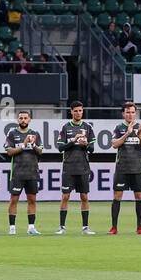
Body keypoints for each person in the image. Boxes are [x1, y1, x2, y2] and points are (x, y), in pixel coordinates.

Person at [109, 101, 141, 235]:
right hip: (122, 168)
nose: (130, 114)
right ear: (123, 114)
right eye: (127, 112)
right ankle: (114, 227)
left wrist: (139, 135)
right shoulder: (118, 128)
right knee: (117, 196)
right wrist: (127, 133)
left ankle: (140, 227)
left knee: (139, 196)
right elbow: (114, 144)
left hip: (137, 168)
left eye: (132, 112)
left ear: (135, 113)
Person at [56, 101, 96, 235]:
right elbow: (60, 147)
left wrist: (85, 144)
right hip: (68, 167)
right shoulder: (65, 127)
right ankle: (62, 227)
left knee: (84, 197)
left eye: (80, 110)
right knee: (65, 196)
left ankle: (85, 227)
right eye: (76, 111)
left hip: (83, 167)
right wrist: (73, 140)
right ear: (71, 112)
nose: (78, 113)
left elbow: (92, 149)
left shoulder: (88, 127)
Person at [4, 109, 43, 235]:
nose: (23, 120)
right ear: (17, 119)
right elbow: (9, 152)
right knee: (14, 199)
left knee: (32, 200)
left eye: (25, 118)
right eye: (21, 118)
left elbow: (40, 151)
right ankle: (12, 228)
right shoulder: (12, 133)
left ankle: (31, 227)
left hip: (32, 172)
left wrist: (33, 145)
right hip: (17, 172)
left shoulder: (35, 133)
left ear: (30, 119)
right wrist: (23, 145)